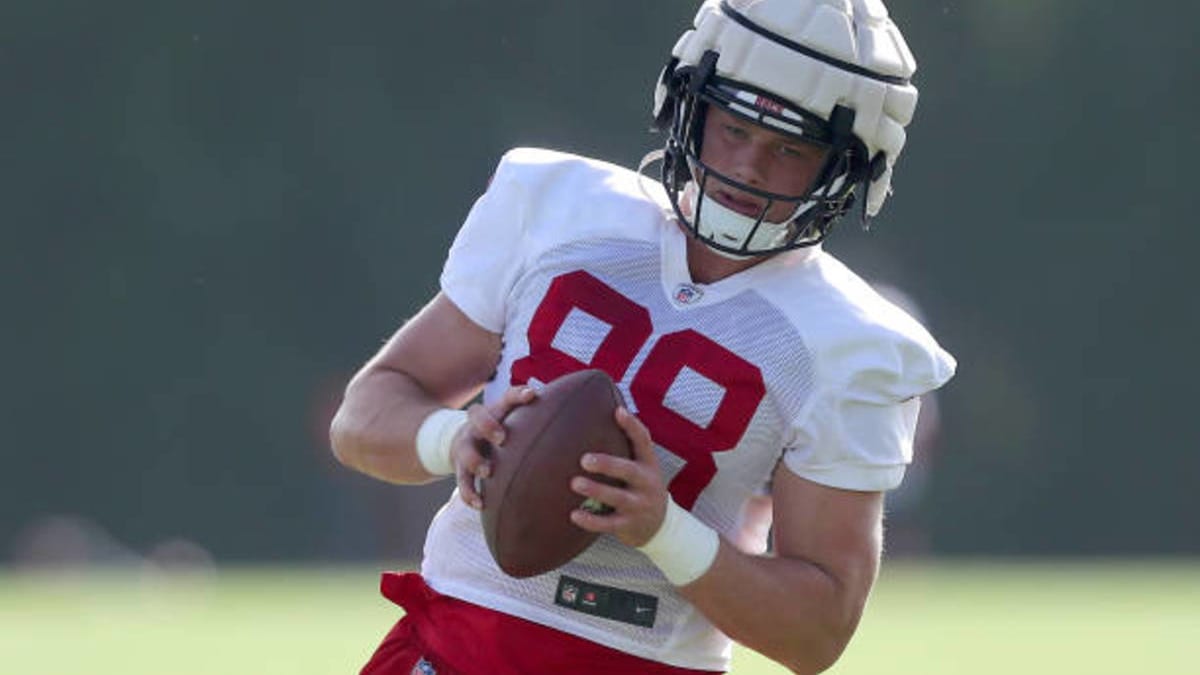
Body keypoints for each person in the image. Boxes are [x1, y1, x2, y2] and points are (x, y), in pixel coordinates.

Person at [330, 0, 956, 673]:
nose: (749, 167)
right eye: (734, 127)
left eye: (789, 148)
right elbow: (362, 417)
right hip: (453, 647)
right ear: (688, 104)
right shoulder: (560, 211)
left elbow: (818, 633)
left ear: (845, 169)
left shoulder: (849, 344)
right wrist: (455, 437)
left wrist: (664, 530)